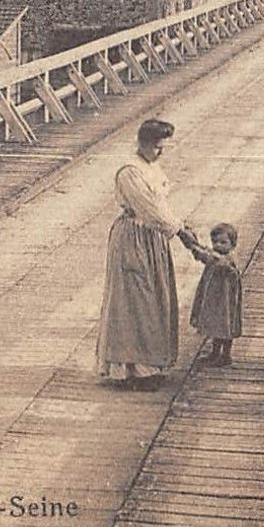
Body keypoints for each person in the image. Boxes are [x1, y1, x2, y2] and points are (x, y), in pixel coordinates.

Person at [97, 119, 198, 391]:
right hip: (134, 237)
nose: (160, 152)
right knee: (135, 299)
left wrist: (180, 222)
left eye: (163, 148)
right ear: (142, 143)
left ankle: (151, 364)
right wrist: (179, 231)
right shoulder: (129, 172)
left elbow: (161, 205)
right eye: (157, 147)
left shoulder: (151, 166)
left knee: (155, 298)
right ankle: (131, 368)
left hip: (152, 238)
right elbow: (149, 209)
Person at [186, 223, 243, 367]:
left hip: (224, 300)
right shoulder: (219, 254)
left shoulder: (225, 259)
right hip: (217, 298)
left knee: (224, 325)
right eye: (215, 242)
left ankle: (225, 355)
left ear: (232, 244)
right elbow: (207, 252)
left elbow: (207, 257)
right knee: (218, 325)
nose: (218, 245)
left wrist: (193, 247)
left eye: (223, 242)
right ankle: (216, 352)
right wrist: (195, 242)